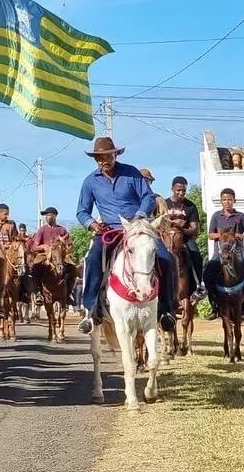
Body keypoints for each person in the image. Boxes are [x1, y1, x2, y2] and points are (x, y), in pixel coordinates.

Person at [75, 136, 177, 334]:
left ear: (115, 154)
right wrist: (93, 224)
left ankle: (166, 311)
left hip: (138, 228)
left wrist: (139, 216)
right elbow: (82, 211)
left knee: (166, 259)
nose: (103, 161)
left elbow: (148, 197)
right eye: (98, 158)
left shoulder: (131, 173)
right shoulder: (90, 182)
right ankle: (90, 310)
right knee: (93, 259)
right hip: (110, 231)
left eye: (106, 156)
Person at [203, 187, 244, 319]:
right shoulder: (216, 216)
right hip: (220, 253)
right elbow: (210, 235)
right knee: (207, 274)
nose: (227, 202)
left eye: (230, 200)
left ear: (234, 200)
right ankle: (214, 305)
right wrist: (223, 235)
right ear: (221, 201)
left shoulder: (241, 217)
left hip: (238, 253)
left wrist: (240, 235)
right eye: (224, 200)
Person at [164, 175, 205, 299]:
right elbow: (158, 223)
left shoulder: (190, 206)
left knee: (196, 255)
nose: (181, 193)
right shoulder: (165, 204)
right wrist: (171, 226)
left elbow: (194, 229)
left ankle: (199, 286)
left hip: (185, 238)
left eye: (183, 191)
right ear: (172, 189)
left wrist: (181, 228)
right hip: (166, 237)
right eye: (178, 190)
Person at [27, 207, 78, 302]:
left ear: (55, 216)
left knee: (73, 268)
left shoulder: (62, 230)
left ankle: (69, 293)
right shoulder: (42, 230)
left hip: (60, 255)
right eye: (45, 216)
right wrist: (44, 247)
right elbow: (34, 247)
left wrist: (64, 245)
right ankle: (38, 293)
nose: (46, 217)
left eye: (48, 215)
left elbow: (70, 245)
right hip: (44, 255)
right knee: (35, 268)